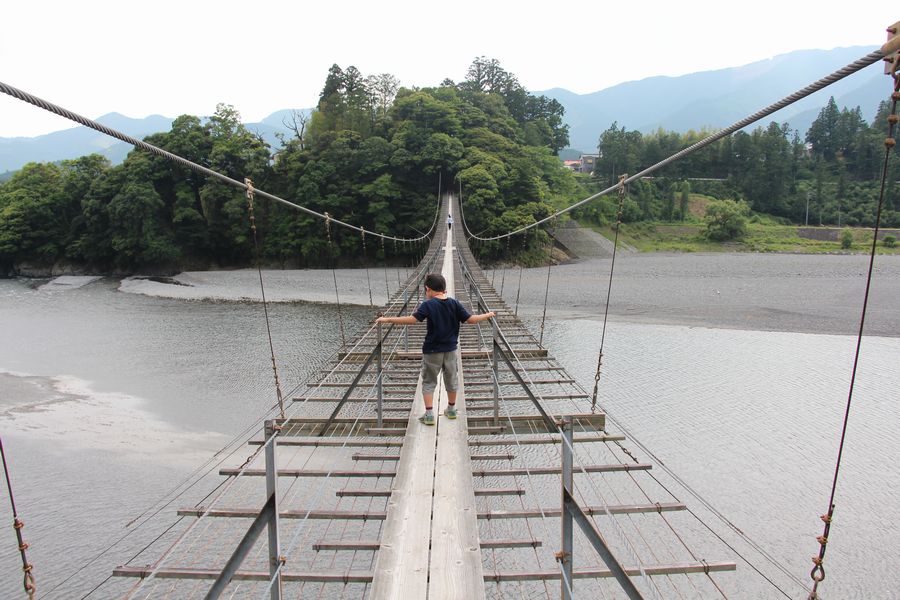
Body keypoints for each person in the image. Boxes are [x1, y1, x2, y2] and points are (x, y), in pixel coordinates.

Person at [375, 273, 495, 425]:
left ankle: (429, 414)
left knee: (429, 381)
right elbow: (471, 320)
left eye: (425, 291)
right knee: (451, 379)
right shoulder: (454, 303)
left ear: (428, 289)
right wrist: (488, 315)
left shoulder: (428, 305)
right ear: (444, 288)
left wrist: (388, 319)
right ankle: (451, 410)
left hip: (432, 350)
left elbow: (412, 320)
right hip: (450, 350)